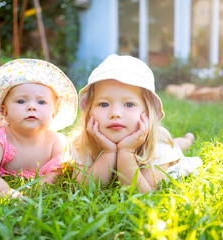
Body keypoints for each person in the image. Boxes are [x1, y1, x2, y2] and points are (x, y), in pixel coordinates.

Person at [71, 54, 202, 193]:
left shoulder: (158, 146)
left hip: (162, 146)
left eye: (129, 104)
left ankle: (187, 140)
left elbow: (142, 192)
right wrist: (108, 152)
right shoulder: (83, 143)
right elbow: (83, 188)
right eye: (104, 104)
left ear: (147, 112)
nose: (115, 113)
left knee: (177, 145)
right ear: (90, 111)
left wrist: (126, 152)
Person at [0, 59, 77, 198]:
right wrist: (4, 191)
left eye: (41, 102)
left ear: (54, 113)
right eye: (21, 101)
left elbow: (60, 170)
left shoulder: (56, 142)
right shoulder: (0, 141)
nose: (31, 107)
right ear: (5, 112)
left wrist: (44, 182)